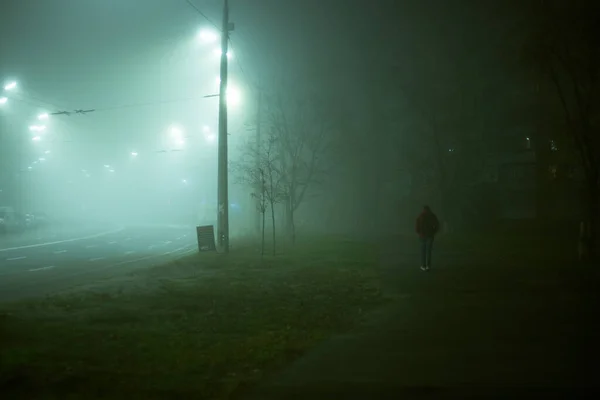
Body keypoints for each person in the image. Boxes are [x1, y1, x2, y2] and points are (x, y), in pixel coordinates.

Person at [415, 205, 440, 271]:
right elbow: (437, 225)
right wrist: (433, 232)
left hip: (423, 236)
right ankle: (428, 265)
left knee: (423, 251)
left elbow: (417, 226)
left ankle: (423, 265)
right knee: (428, 251)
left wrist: (419, 232)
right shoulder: (432, 216)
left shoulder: (420, 216)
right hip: (429, 235)